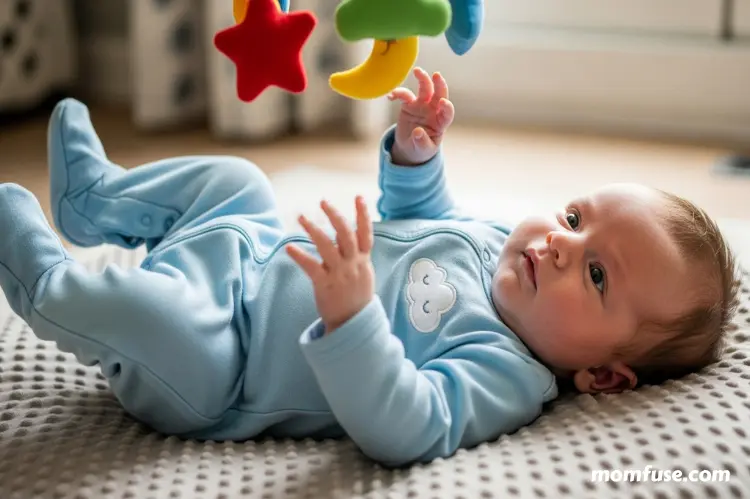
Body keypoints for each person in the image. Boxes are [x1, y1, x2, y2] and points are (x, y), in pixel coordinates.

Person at [0, 68, 739, 467]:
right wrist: (415, 155)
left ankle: (43, 278)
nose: (559, 243)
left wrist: (354, 319)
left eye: (598, 275)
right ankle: (99, 203)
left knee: (145, 313)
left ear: (604, 376)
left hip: (220, 363)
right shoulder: (497, 242)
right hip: (249, 250)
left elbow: (409, 425)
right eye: (575, 218)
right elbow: (425, 213)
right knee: (239, 181)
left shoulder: (507, 372)